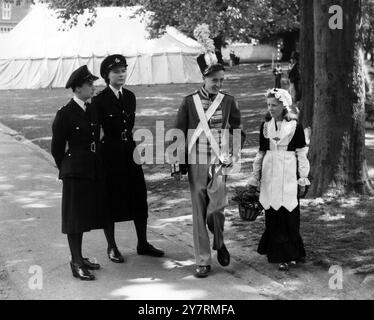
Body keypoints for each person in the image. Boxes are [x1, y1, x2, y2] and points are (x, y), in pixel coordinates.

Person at [170, 64, 245, 278]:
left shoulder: (228, 101)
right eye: (215, 80)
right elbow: (178, 132)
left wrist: (233, 152)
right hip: (196, 162)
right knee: (199, 214)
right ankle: (203, 260)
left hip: (219, 161)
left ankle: (219, 243)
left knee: (217, 208)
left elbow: (238, 129)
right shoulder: (189, 101)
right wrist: (176, 164)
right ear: (204, 78)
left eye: (221, 80)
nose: (218, 84)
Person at [91, 54, 164, 263]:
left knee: (139, 194)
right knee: (110, 197)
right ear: (107, 75)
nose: (121, 74)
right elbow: (96, 132)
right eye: (116, 72)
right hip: (110, 153)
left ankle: (143, 243)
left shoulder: (130, 96)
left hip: (130, 150)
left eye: (123, 70)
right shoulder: (99, 100)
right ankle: (112, 246)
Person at [51, 65, 105, 280]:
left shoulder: (91, 109)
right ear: (78, 88)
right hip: (74, 171)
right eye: (89, 84)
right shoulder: (64, 113)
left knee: (83, 216)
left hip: (91, 168)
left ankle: (80, 257)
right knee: (74, 218)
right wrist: (66, 167)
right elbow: (57, 148)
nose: (93, 87)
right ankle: (75, 261)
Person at [248, 88, 310, 271]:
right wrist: (255, 176)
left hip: (288, 171)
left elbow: (301, 153)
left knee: (289, 214)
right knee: (273, 214)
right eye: (268, 105)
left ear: (284, 106)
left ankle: (293, 253)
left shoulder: (294, 127)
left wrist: (303, 178)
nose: (270, 109)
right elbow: (261, 153)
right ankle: (279, 254)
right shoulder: (265, 126)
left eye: (274, 105)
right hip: (270, 172)